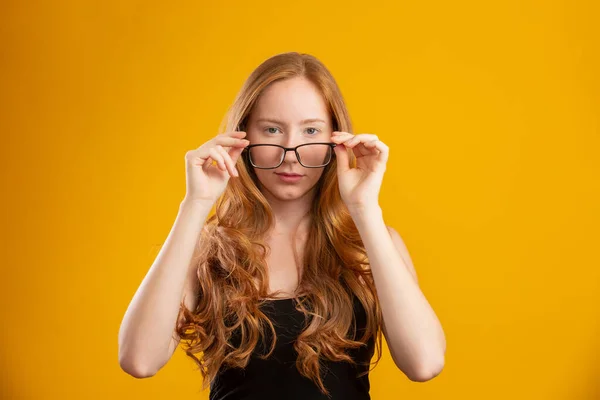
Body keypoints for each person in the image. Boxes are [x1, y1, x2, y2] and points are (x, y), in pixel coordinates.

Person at [118, 52, 446, 399]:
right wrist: (195, 205)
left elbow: (424, 363)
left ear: (336, 139)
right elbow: (139, 360)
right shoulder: (208, 248)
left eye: (310, 130)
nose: (290, 150)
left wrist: (364, 209)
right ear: (242, 137)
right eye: (272, 129)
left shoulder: (371, 243)